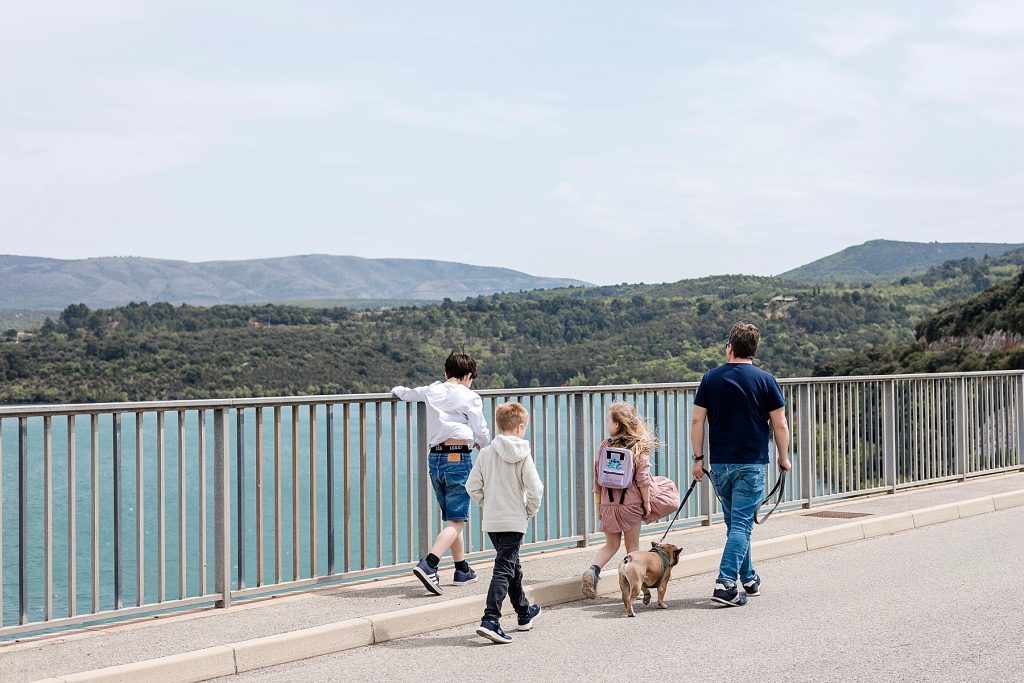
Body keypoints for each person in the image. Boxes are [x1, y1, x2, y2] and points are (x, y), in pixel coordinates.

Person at [691, 322, 791, 607]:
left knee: (736, 524)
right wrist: (783, 458)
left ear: (730, 348)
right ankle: (725, 584)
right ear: (754, 351)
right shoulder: (765, 380)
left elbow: (697, 421)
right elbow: (780, 424)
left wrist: (698, 459)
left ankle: (748, 578)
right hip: (750, 464)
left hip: (720, 465)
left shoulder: (710, 378)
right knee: (741, 526)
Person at [392, 349, 491, 595]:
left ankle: (462, 570)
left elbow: (405, 393)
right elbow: (481, 431)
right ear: (468, 376)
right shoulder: (470, 397)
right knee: (457, 519)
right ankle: (430, 564)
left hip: (435, 458)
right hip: (458, 458)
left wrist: (396, 389)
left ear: (446, 372)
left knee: (452, 518)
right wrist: (484, 447)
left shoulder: (431, 390)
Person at [581, 401, 679, 598]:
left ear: (617, 425)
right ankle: (635, 589)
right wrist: (647, 503)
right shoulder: (639, 447)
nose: (606, 423)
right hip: (631, 506)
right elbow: (642, 479)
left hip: (609, 505)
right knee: (632, 549)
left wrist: (599, 506)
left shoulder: (604, 446)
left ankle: (592, 571)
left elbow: (597, 479)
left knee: (611, 545)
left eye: (608, 420)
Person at [466, 401, 544, 644]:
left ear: (499, 425)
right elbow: (535, 489)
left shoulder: (486, 453)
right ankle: (490, 619)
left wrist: (485, 504)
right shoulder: (523, 454)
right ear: (521, 427)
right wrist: (527, 511)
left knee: (511, 565)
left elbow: (472, 487)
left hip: (492, 521)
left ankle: (523, 612)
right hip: (514, 520)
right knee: (504, 568)